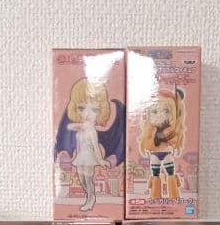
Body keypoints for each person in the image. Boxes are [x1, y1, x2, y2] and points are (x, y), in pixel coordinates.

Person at [54, 76, 125, 210]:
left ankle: (90, 199)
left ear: (101, 111)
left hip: (89, 158)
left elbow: (96, 148)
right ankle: (91, 196)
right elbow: (69, 126)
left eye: (94, 109)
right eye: (81, 108)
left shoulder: (92, 131)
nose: (87, 114)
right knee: (81, 179)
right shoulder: (83, 127)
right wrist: (79, 126)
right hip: (80, 157)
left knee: (87, 179)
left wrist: (101, 160)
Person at [137, 87, 185, 201]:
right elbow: (148, 144)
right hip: (155, 154)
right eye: (155, 112)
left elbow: (174, 140)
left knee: (170, 172)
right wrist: (156, 138)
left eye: (166, 111)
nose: (160, 115)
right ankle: (155, 195)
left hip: (167, 152)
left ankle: (174, 195)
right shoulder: (150, 131)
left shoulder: (171, 130)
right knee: (155, 173)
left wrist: (167, 137)